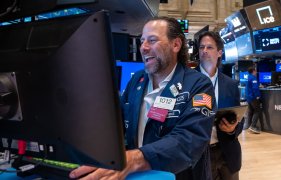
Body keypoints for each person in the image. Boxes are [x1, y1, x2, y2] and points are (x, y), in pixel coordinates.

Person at [69, 17, 216, 180]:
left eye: (152, 40)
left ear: (176, 45)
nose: (143, 48)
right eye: (142, 41)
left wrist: (135, 159)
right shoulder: (136, 80)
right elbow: (116, 126)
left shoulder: (198, 84)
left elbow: (189, 139)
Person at [194, 31, 243, 180]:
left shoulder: (231, 84)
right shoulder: (187, 81)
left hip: (227, 152)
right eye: (202, 47)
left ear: (219, 53)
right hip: (199, 154)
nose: (204, 51)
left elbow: (239, 119)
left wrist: (232, 129)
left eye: (209, 47)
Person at [246, 66, 262, 134]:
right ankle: (253, 126)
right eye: (255, 71)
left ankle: (248, 125)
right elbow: (255, 88)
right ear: (253, 71)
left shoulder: (248, 77)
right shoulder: (253, 78)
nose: (256, 72)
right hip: (253, 97)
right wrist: (258, 96)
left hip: (249, 97)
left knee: (250, 111)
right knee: (257, 111)